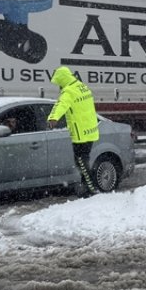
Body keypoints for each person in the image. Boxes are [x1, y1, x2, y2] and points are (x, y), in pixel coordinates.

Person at [47, 66, 100, 197]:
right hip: (90, 130)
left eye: (59, 82)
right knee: (85, 160)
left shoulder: (69, 91)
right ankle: (87, 187)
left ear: (63, 80)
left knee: (81, 161)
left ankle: (91, 188)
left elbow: (61, 105)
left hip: (80, 133)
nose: (59, 86)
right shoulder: (82, 87)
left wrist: (53, 118)